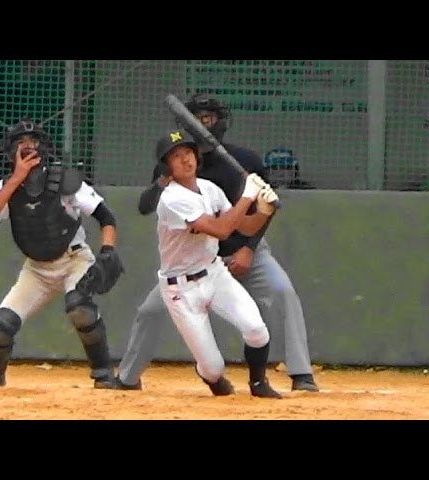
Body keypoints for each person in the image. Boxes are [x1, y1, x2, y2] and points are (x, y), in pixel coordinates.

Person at [116, 93, 319, 393]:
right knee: (150, 311)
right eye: (197, 119)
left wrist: (251, 240)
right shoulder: (170, 179)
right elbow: (147, 206)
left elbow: (251, 218)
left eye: (209, 119)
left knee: (281, 292)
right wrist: (162, 179)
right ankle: (127, 377)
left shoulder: (245, 161)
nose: (203, 125)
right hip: (190, 263)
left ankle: (301, 373)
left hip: (242, 249)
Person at [0, 118, 124, 389]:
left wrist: (107, 251)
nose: (28, 148)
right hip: (37, 269)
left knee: (80, 309)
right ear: (10, 152)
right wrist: (17, 178)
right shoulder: (6, 187)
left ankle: (103, 372)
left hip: (74, 259)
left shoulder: (65, 180)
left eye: (33, 143)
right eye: (21, 144)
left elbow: (105, 216)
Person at [138, 128, 282, 398]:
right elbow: (221, 230)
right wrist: (248, 195)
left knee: (256, 330)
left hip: (214, 273)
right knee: (213, 369)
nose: (185, 159)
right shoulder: (171, 199)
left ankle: (258, 383)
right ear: (166, 167)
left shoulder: (210, 189)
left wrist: (263, 210)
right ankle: (210, 376)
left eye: (188, 152)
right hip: (180, 289)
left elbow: (245, 228)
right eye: (176, 156)